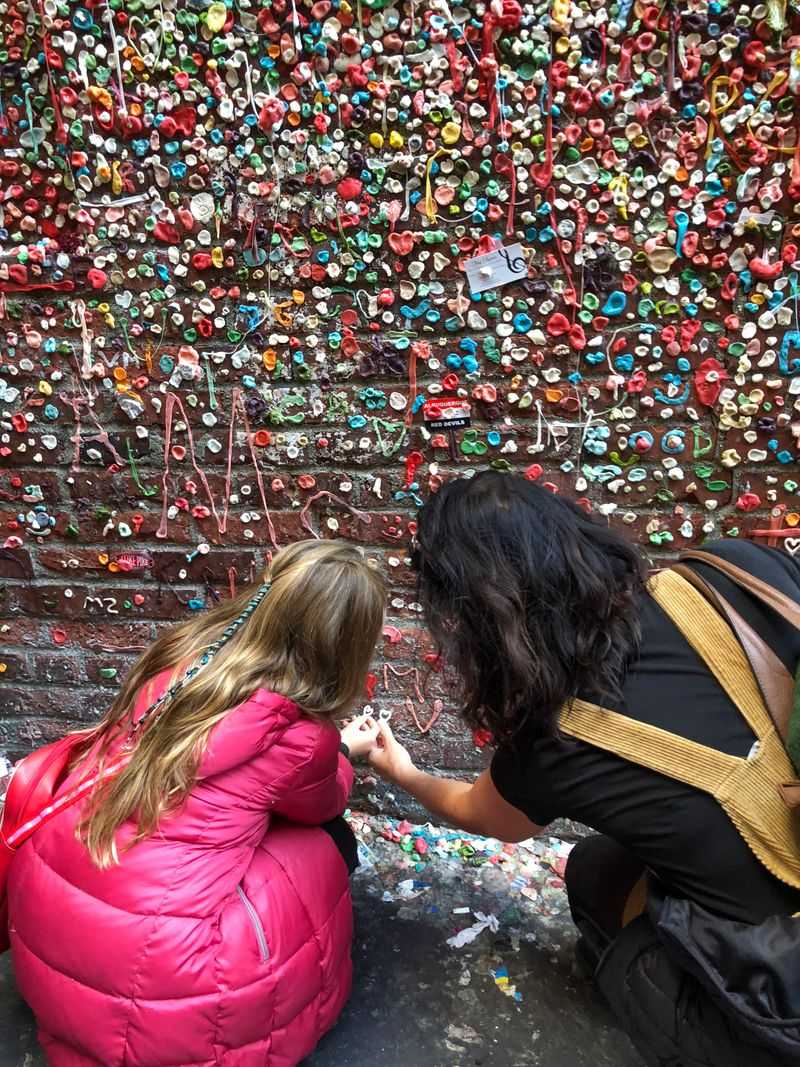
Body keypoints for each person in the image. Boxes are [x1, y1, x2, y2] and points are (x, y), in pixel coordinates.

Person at [368, 470, 800, 1067]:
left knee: (596, 879)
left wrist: (403, 772)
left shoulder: (552, 743)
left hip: (786, 983)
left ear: (471, 616)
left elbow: (483, 815)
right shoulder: (731, 571)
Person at [8, 539, 385, 1067]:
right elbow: (320, 804)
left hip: (55, 922)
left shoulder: (184, 655)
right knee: (331, 841)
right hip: (170, 972)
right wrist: (346, 751)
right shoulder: (300, 736)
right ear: (346, 644)